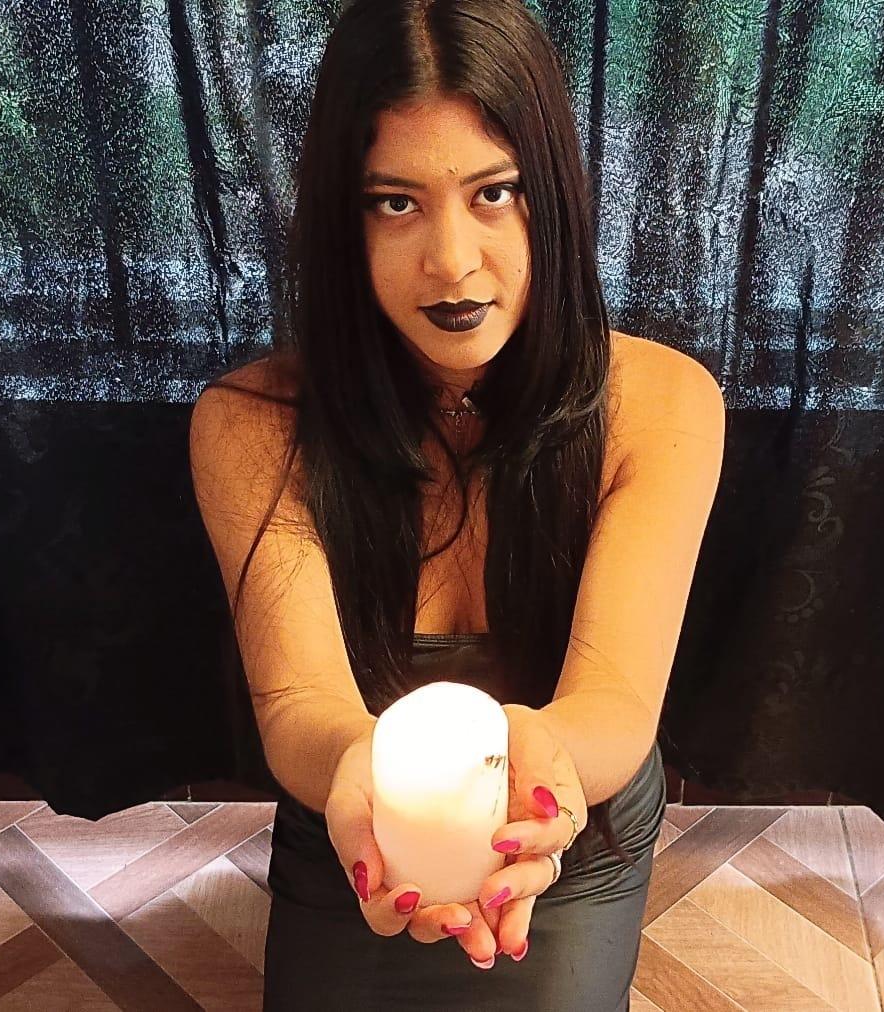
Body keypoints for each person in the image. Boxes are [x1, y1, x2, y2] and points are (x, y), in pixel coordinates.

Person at [188, 1, 725, 1008]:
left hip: (568, 821)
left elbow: (614, 701)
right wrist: (362, 777)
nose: (450, 260)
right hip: (356, 821)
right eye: (394, 202)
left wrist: (540, 778)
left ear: (551, 194)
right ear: (340, 219)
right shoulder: (250, 423)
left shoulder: (661, 402)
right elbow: (298, 703)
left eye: (494, 192)